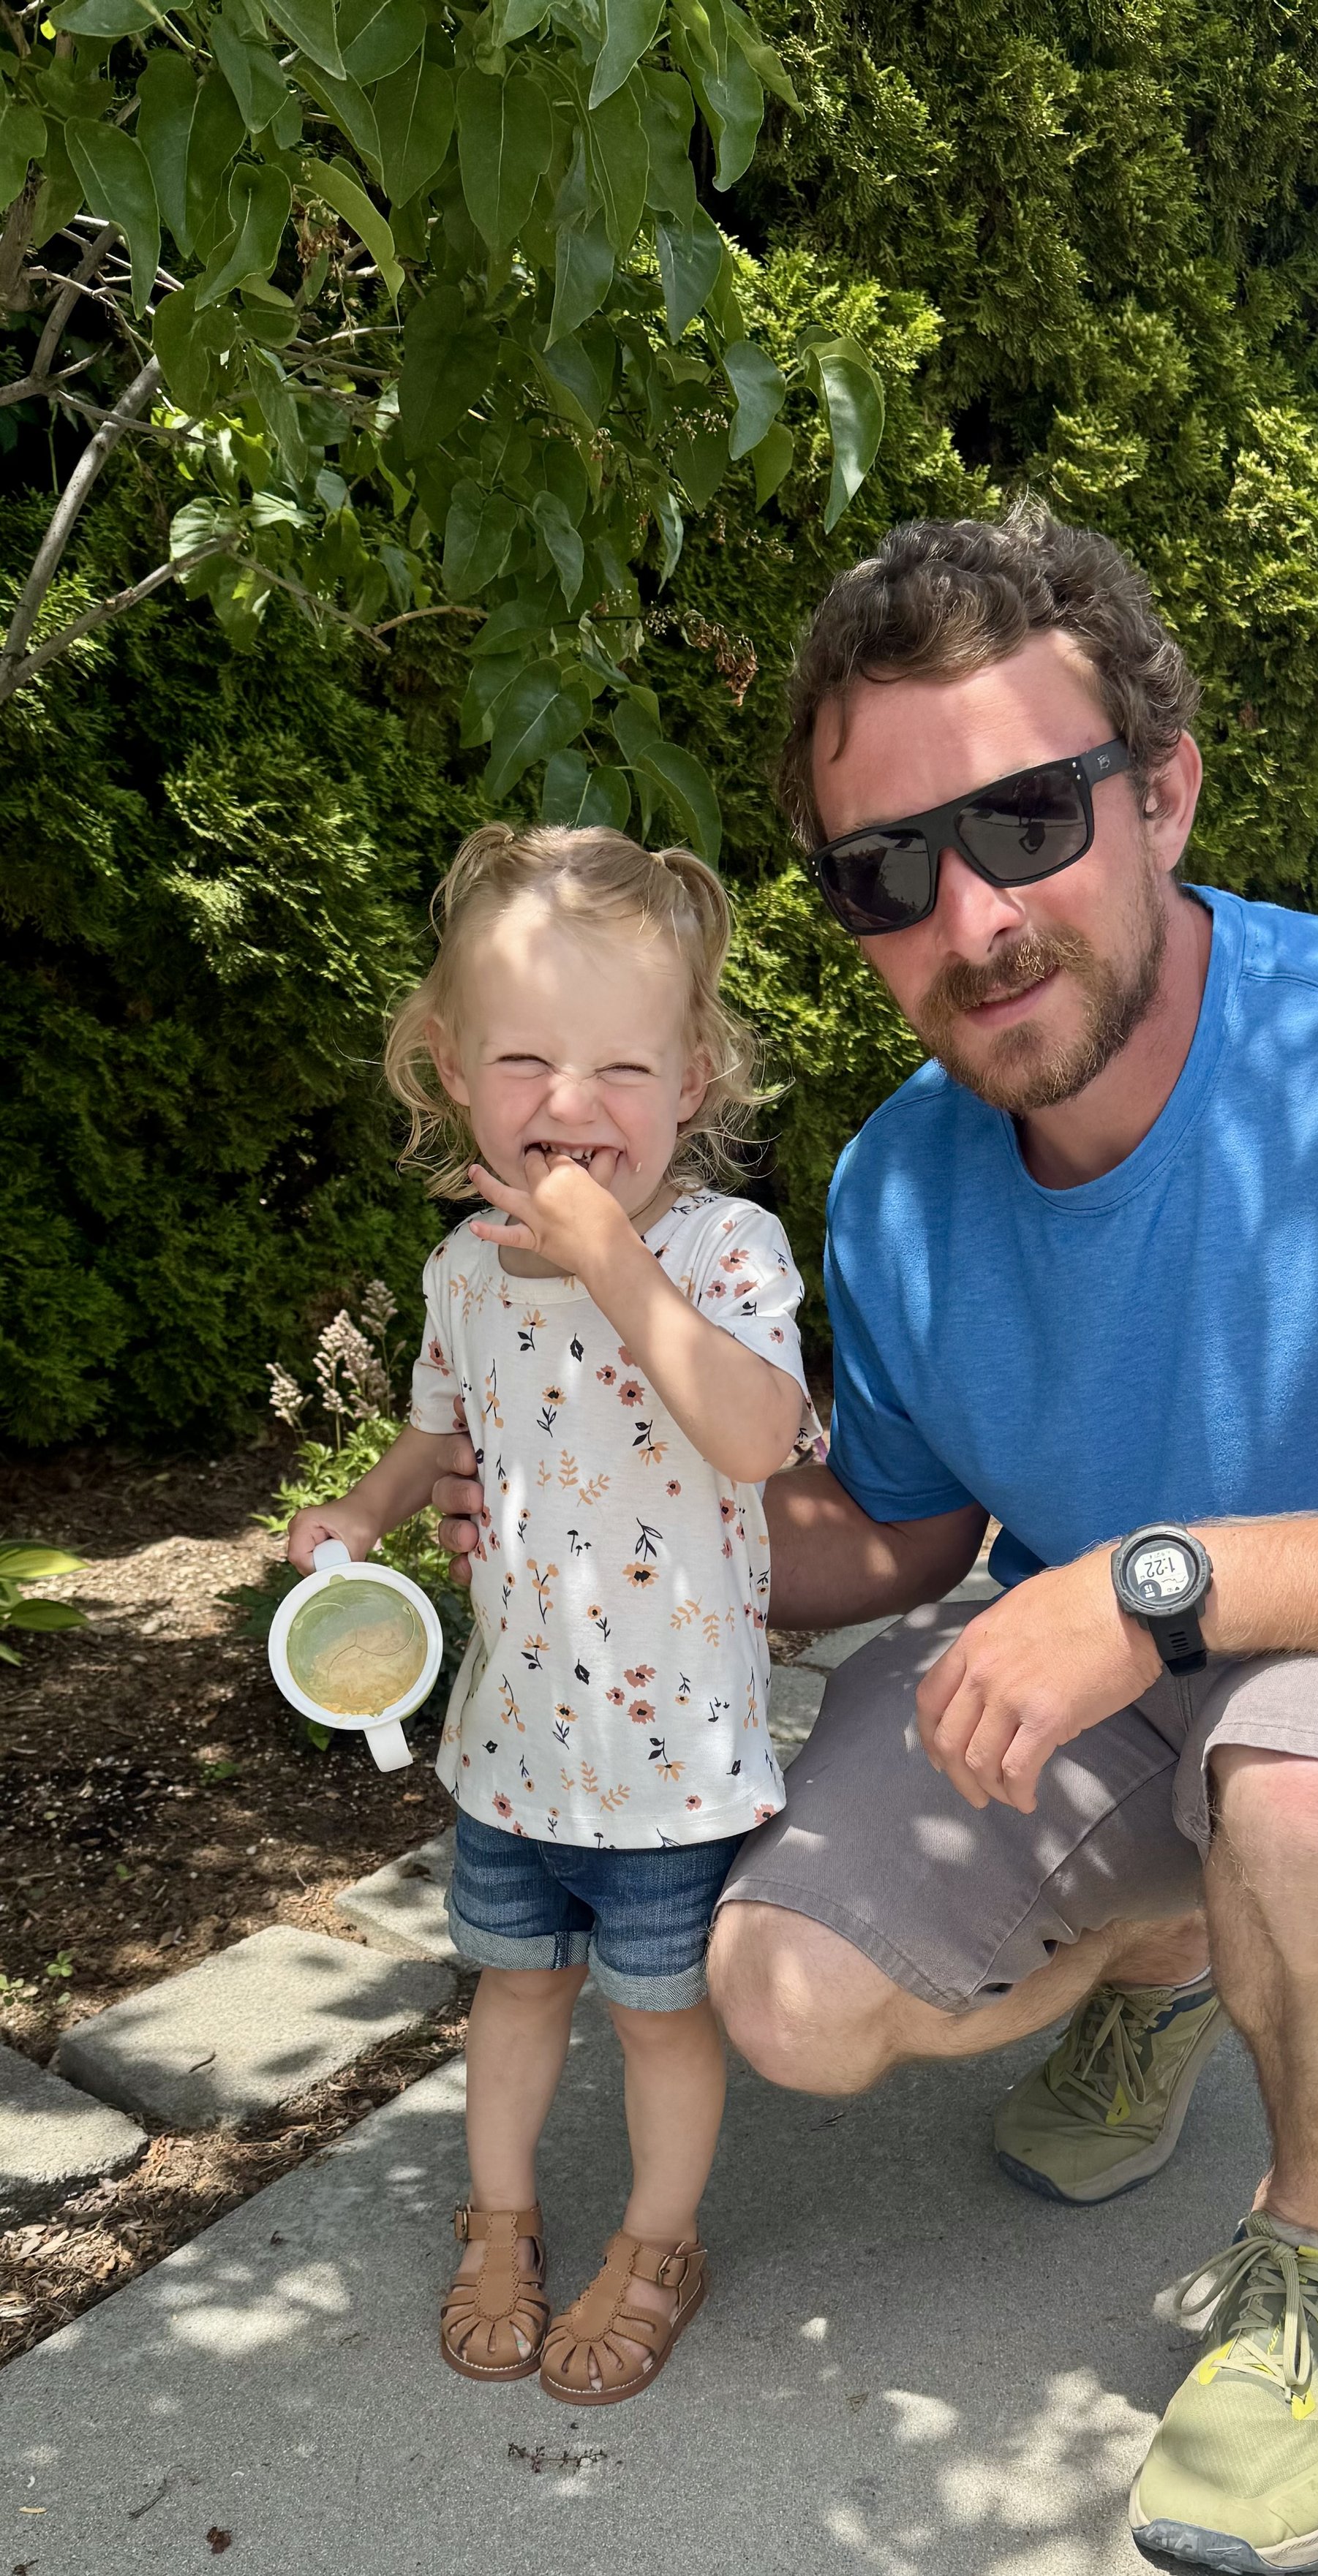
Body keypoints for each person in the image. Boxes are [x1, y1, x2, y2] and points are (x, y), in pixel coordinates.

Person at [431, 508, 1318, 2572]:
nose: (969, 913)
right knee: (777, 1991)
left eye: (1027, 817)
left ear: (1163, 791)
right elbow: (900, 1525)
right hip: (1123, 1690)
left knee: (1296, 1791)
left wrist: (1157, 1584)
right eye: (887, 870)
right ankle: (1172, 1953)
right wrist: (615, 1534)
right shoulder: (902, 1180)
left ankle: (1316, 2256)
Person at [288, 823, 818, 2408]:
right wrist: (365, 1511)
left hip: (674, 1769)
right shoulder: (460, 1270)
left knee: (661, 2022)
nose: (572, 1108)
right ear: (449, 1072)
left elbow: (752, 1434)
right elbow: (439, 1429)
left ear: (695, 1077)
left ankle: (659, 2244)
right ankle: (499, 2220)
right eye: (523, 1061)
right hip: (514, 1745)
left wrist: (610, 1269)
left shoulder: (722, 1250)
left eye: (621, 1071)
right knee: (512, 1989)